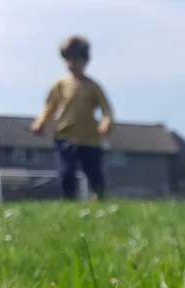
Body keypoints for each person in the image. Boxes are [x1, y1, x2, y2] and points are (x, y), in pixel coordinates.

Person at [31, 35, 113, 201]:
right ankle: (70, 201)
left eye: (77, 60)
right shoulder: (60, 85)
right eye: (69, 60)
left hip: (90, 139)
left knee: (94, 174)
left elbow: (107, 110)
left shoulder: (93, 87)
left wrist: (106, 124)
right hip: (65, 136)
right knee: (67, 172)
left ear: (85, 61)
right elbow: (49, 106)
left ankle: (99, 200)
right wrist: (40, 123)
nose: (73, 64)